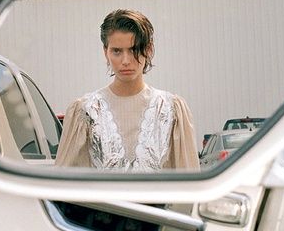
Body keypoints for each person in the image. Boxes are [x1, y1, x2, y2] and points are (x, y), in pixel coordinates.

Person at [55, 9, 199, 171]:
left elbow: (188, 182)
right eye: (117, 51)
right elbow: (66, 184)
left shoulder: (171, 109)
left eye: (134, 50)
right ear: (106, 52)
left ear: (149, 49)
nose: (125, 61)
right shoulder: (84, 111)